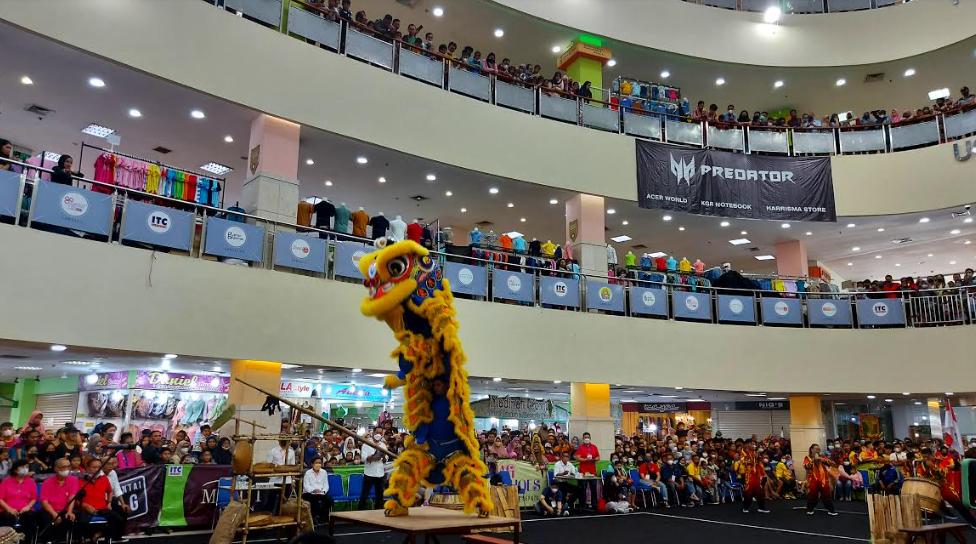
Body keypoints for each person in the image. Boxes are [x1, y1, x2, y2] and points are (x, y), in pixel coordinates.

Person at [75, 457, 126, 543]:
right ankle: (81, 539)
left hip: (102, 508)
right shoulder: (81, 481)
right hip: (86, 509)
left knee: (118, 519)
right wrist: (85, 505)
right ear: (87, 469)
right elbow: (74, 499)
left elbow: (110, 491)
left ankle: (99, 534)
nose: (97, 469)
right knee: (81, 522)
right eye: (94, 467)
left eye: (99, 467)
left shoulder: (104, 478)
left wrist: (109, 502)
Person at [39, 458, 78, 544]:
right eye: (64, 467)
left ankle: (61, 540)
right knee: (46, 519)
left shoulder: (73, 480)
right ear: (56, 468)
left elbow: (72, 497)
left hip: (64, 510)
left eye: (68, 467)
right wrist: (54, 514)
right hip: (50, 510)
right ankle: (49, 541)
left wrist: (70, 511)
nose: (67, 469)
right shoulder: (47, 482)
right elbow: (44, 501)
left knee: (70, 519)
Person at [0, 459, 38, 541]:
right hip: (8, 510)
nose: (25, 469)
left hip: (25, 510)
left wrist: (28, 506)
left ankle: (26, 540)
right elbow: (0, 499)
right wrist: (9, 509)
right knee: (7, 517)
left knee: (30, 517)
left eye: (27, 467)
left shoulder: (31, 482)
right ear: (15, 469)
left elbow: (34, 498)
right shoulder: (6, 482)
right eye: (22, 467)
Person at [803, 444, 837, 515]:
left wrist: (823, 460)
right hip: (813, 478)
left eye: (819, 449)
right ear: (811, 449)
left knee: (826, 494)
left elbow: (832, 463)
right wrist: (813, 461)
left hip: (823, 478)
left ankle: (831, 510)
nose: (818, 450)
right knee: (812, 494)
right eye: (816, 449)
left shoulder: (823, 457)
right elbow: (806, 466)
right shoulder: (807, 457)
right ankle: (810, 509)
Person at [264, 439, 297, 513]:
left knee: (283, 502)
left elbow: (292, 467)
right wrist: (277, 468)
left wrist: (293, 480)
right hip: (274, 480)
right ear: (279, 440)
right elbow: (268, 465)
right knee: (271, 500)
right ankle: (268, 516)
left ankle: (280, 517)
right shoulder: (273, 451)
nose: (284, 441)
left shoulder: (291, 452)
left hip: (287, 481)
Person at [358, 431, 386, 510]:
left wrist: (383, 456)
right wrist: (373, 455)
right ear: (373, 433)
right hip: (369, 472)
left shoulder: (383, 445)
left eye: (380, 433)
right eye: (377, 432)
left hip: (380, 472)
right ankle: (361, 511)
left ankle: (379, 510)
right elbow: (363, 458)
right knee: (365, 493)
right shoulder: (366, 444)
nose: (378, 434)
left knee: (380, 494)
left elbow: (385, 460)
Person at [303, 456, 334, 525]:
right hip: (310, 493)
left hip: (321, 492)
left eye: (320, 463)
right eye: (316, 463)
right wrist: (313, 490)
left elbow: (326, 485)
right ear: (312, 464)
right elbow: (306, 486)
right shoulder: (308, 473)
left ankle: (323, 517)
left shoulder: (324, 472)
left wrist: (322, 491)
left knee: (330, 500)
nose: (318, 464)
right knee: (314, 500)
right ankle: (314, 517)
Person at [739, 443, 769, 513]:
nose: (754, 445)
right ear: (748, 447)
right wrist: (753, 458)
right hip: (749, 477)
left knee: (760, 492)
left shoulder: (757, 454)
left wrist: (763, 475)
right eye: (752, 444)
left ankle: (761, 508)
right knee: (749, 492)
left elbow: (760, 464)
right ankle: (745, 508)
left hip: (757, 476)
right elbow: (745, 462)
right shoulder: (745, 456)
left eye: (754, 444)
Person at [574, 432, 600, 512]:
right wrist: (586, 460)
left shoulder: (594, 447)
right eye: (585, 437)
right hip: (583, 472)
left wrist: (595, 459)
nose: (587, 439)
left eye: (588, 437)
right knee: (583, 489)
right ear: (583, 438)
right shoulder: (580, 447)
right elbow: (578, 458)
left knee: (594, 489)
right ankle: (583, 506)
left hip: (593, 472)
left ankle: (594, 505)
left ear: (590, 438)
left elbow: (598, 457)